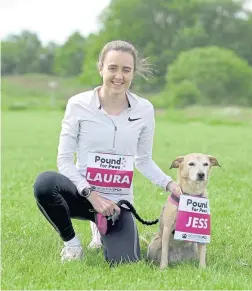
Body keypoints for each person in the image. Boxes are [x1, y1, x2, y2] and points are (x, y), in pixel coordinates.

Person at [33, 40, 180, 264]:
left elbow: (143, 160)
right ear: (101, 68)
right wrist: (91, 194)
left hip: (116, 204)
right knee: (45, 183)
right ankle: (72, 245)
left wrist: (171, 185)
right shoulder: (78, 104)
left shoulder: (145, 110)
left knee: (126, 262)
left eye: (126, 69)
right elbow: (64, 160)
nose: (118, 76)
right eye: (112, 68)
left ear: (133, 73)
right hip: (82, 195)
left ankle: (101, 231)